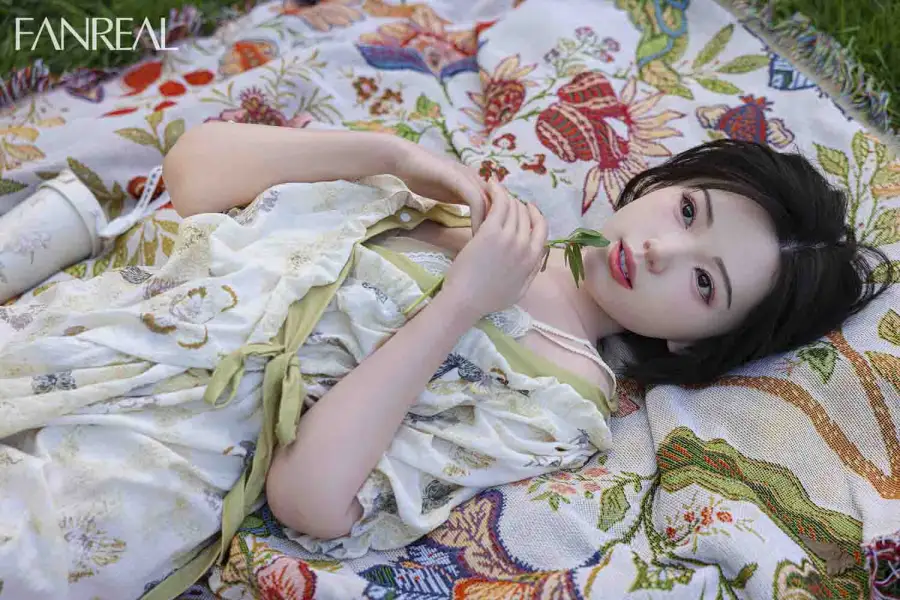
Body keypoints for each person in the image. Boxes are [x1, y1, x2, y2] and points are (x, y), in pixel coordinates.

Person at [162, 121, 893, 546]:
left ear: (698, 345)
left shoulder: (559, 396)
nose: (662, 250)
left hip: (162, 443)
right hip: (120, 313)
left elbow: (309, 499)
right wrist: (390, 156)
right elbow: (194, 176)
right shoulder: (476, 205)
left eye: (705, 283)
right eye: (688, 211)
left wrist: (458, 307)